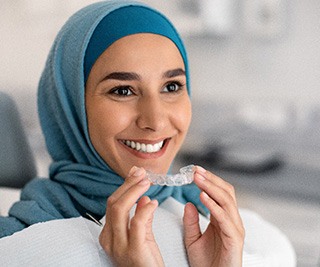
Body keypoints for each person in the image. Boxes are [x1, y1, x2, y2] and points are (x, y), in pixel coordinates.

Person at [0, 1, 296, 266]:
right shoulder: (19, 242)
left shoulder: (216, 226)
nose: (155, 121)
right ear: (69, 105)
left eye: (171, 87)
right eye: (123, 90)